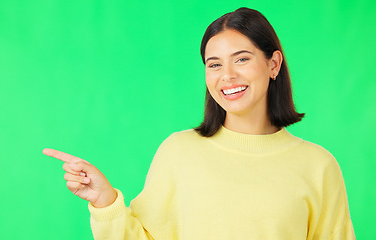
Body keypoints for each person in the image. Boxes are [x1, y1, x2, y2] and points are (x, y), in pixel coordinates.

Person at [43, 7, 356, 240]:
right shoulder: (179, 151)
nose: (227, 76)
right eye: (215, 64)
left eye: (242, 59)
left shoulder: (318, 166)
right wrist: (104, 200)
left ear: (273, 64)